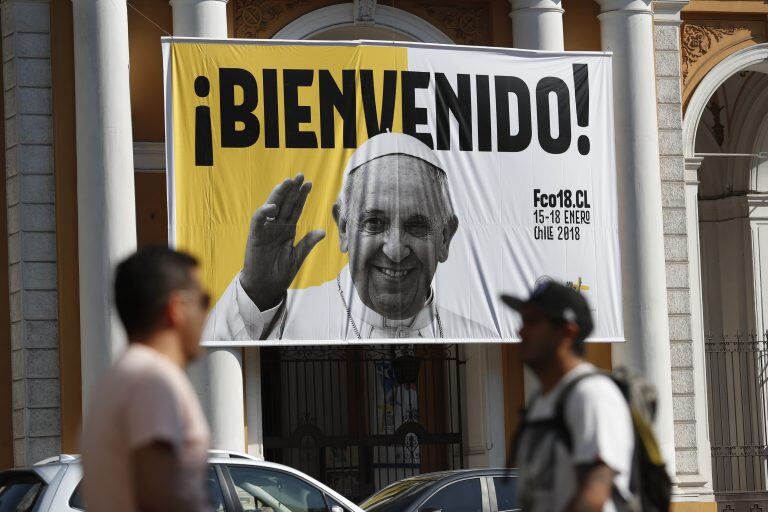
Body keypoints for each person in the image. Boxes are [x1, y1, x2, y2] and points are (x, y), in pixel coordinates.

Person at [205, 132, 497, 341]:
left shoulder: (478, 338)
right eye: (375, 222)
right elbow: (208, 377)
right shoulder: (284, 319)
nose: (395, 251)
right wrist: (255, 292)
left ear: (445, 238)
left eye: (417, 226)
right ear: (343, 228)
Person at [82, 247, 211, 512]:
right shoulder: (154, 379)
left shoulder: (118, 378)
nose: (207, 314)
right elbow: (159, 498)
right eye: (204, 301)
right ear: (176, 308)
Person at [502, 281, 634, 512]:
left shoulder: (591, 395)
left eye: (532, 322)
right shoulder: (541, 402)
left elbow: (594, 495)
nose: (520, 331)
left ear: (567, 332)